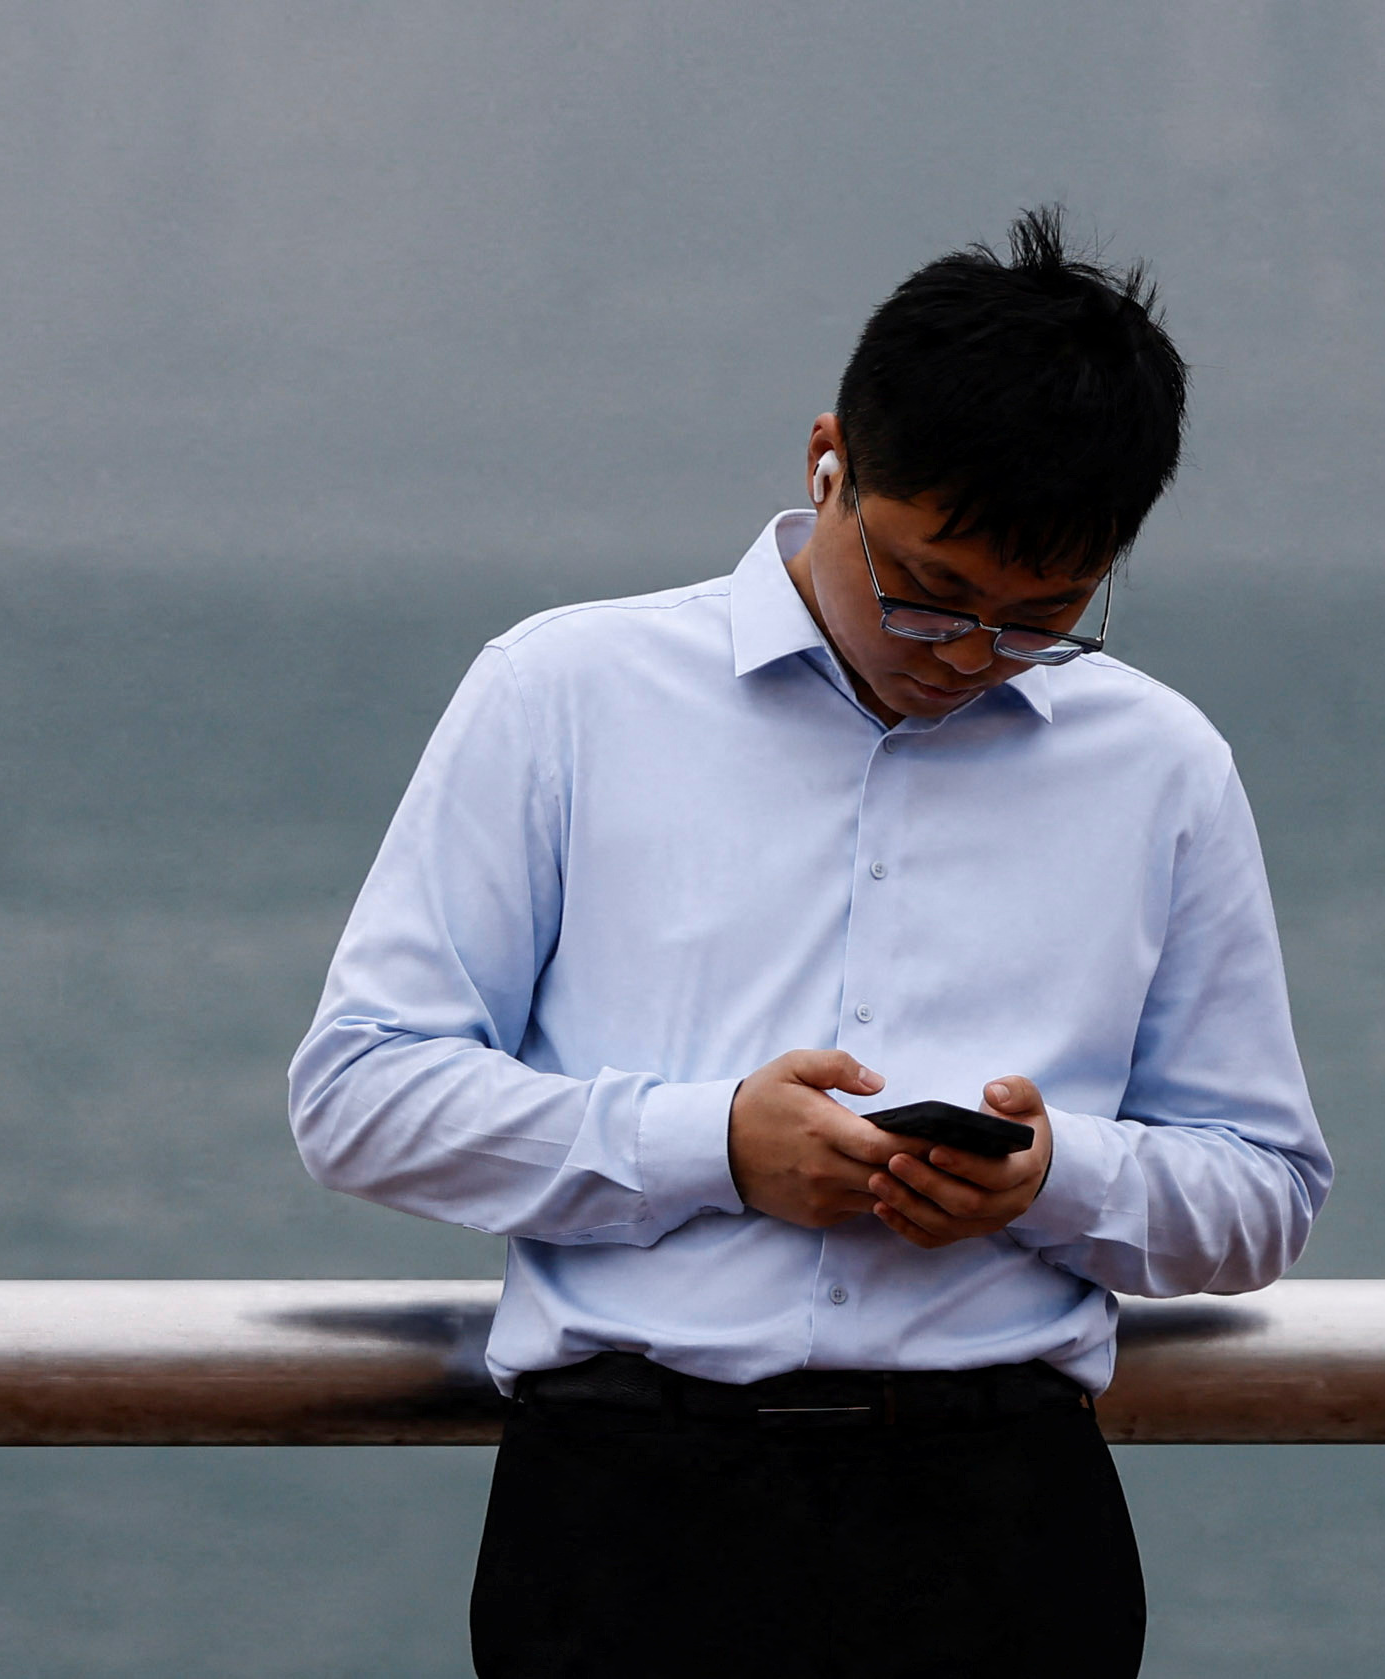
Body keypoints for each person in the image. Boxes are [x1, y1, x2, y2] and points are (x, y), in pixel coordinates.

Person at [291, 216, 1323, 1679]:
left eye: (1042, 621)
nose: (964, 653)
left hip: (1004, 1521)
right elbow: (359, 1098)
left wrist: (1049, 1181)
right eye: (925, 587)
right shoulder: (563, 695)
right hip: (627, 1511)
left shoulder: (1162, 765)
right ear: (826, 458)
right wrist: (717, 1144)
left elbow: (1265, 1193)